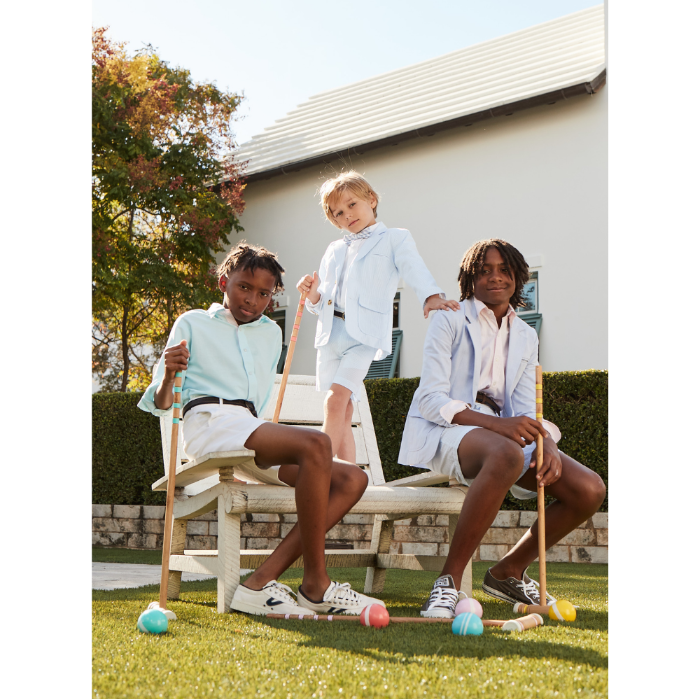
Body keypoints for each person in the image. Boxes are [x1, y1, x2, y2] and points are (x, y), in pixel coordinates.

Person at [138, 242, 385, 616]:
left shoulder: (271, 333)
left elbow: (256, 401)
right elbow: (161, 402)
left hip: (249, 429)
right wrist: (169, 374)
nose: (252, 300)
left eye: (264, 293)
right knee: (318, 444)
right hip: (210, 424)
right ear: (224, 282)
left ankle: (259, 582)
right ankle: (316, 585)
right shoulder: (192, 322)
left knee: (352, 479)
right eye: (244, 287)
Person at [397, 238, 606, 618]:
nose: (495, 277)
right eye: (485, 270)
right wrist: (498, 425)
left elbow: (525, 409)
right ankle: (447, 582)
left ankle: (508, 571)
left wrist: (547, 443)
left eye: (504, 270)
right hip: (449, 428)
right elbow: (430, 399)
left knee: (589, 489)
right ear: (470, 278)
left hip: (501, 434)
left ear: (518, 277)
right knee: (507, 452)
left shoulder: (525, 334)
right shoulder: (448, 318)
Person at [297, 170, 459, 460]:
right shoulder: (334, 250)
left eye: (352, 204)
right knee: (343, 409)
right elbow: (322, 301)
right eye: (338, 212)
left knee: (334, 402)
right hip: (330, 336)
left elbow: (413, 267)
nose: (347, 214)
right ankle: (347, 474)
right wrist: (312, 296)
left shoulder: (395, 238)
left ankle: (318, 467)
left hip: (363, 337)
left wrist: (431, 296)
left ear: (371, 199)